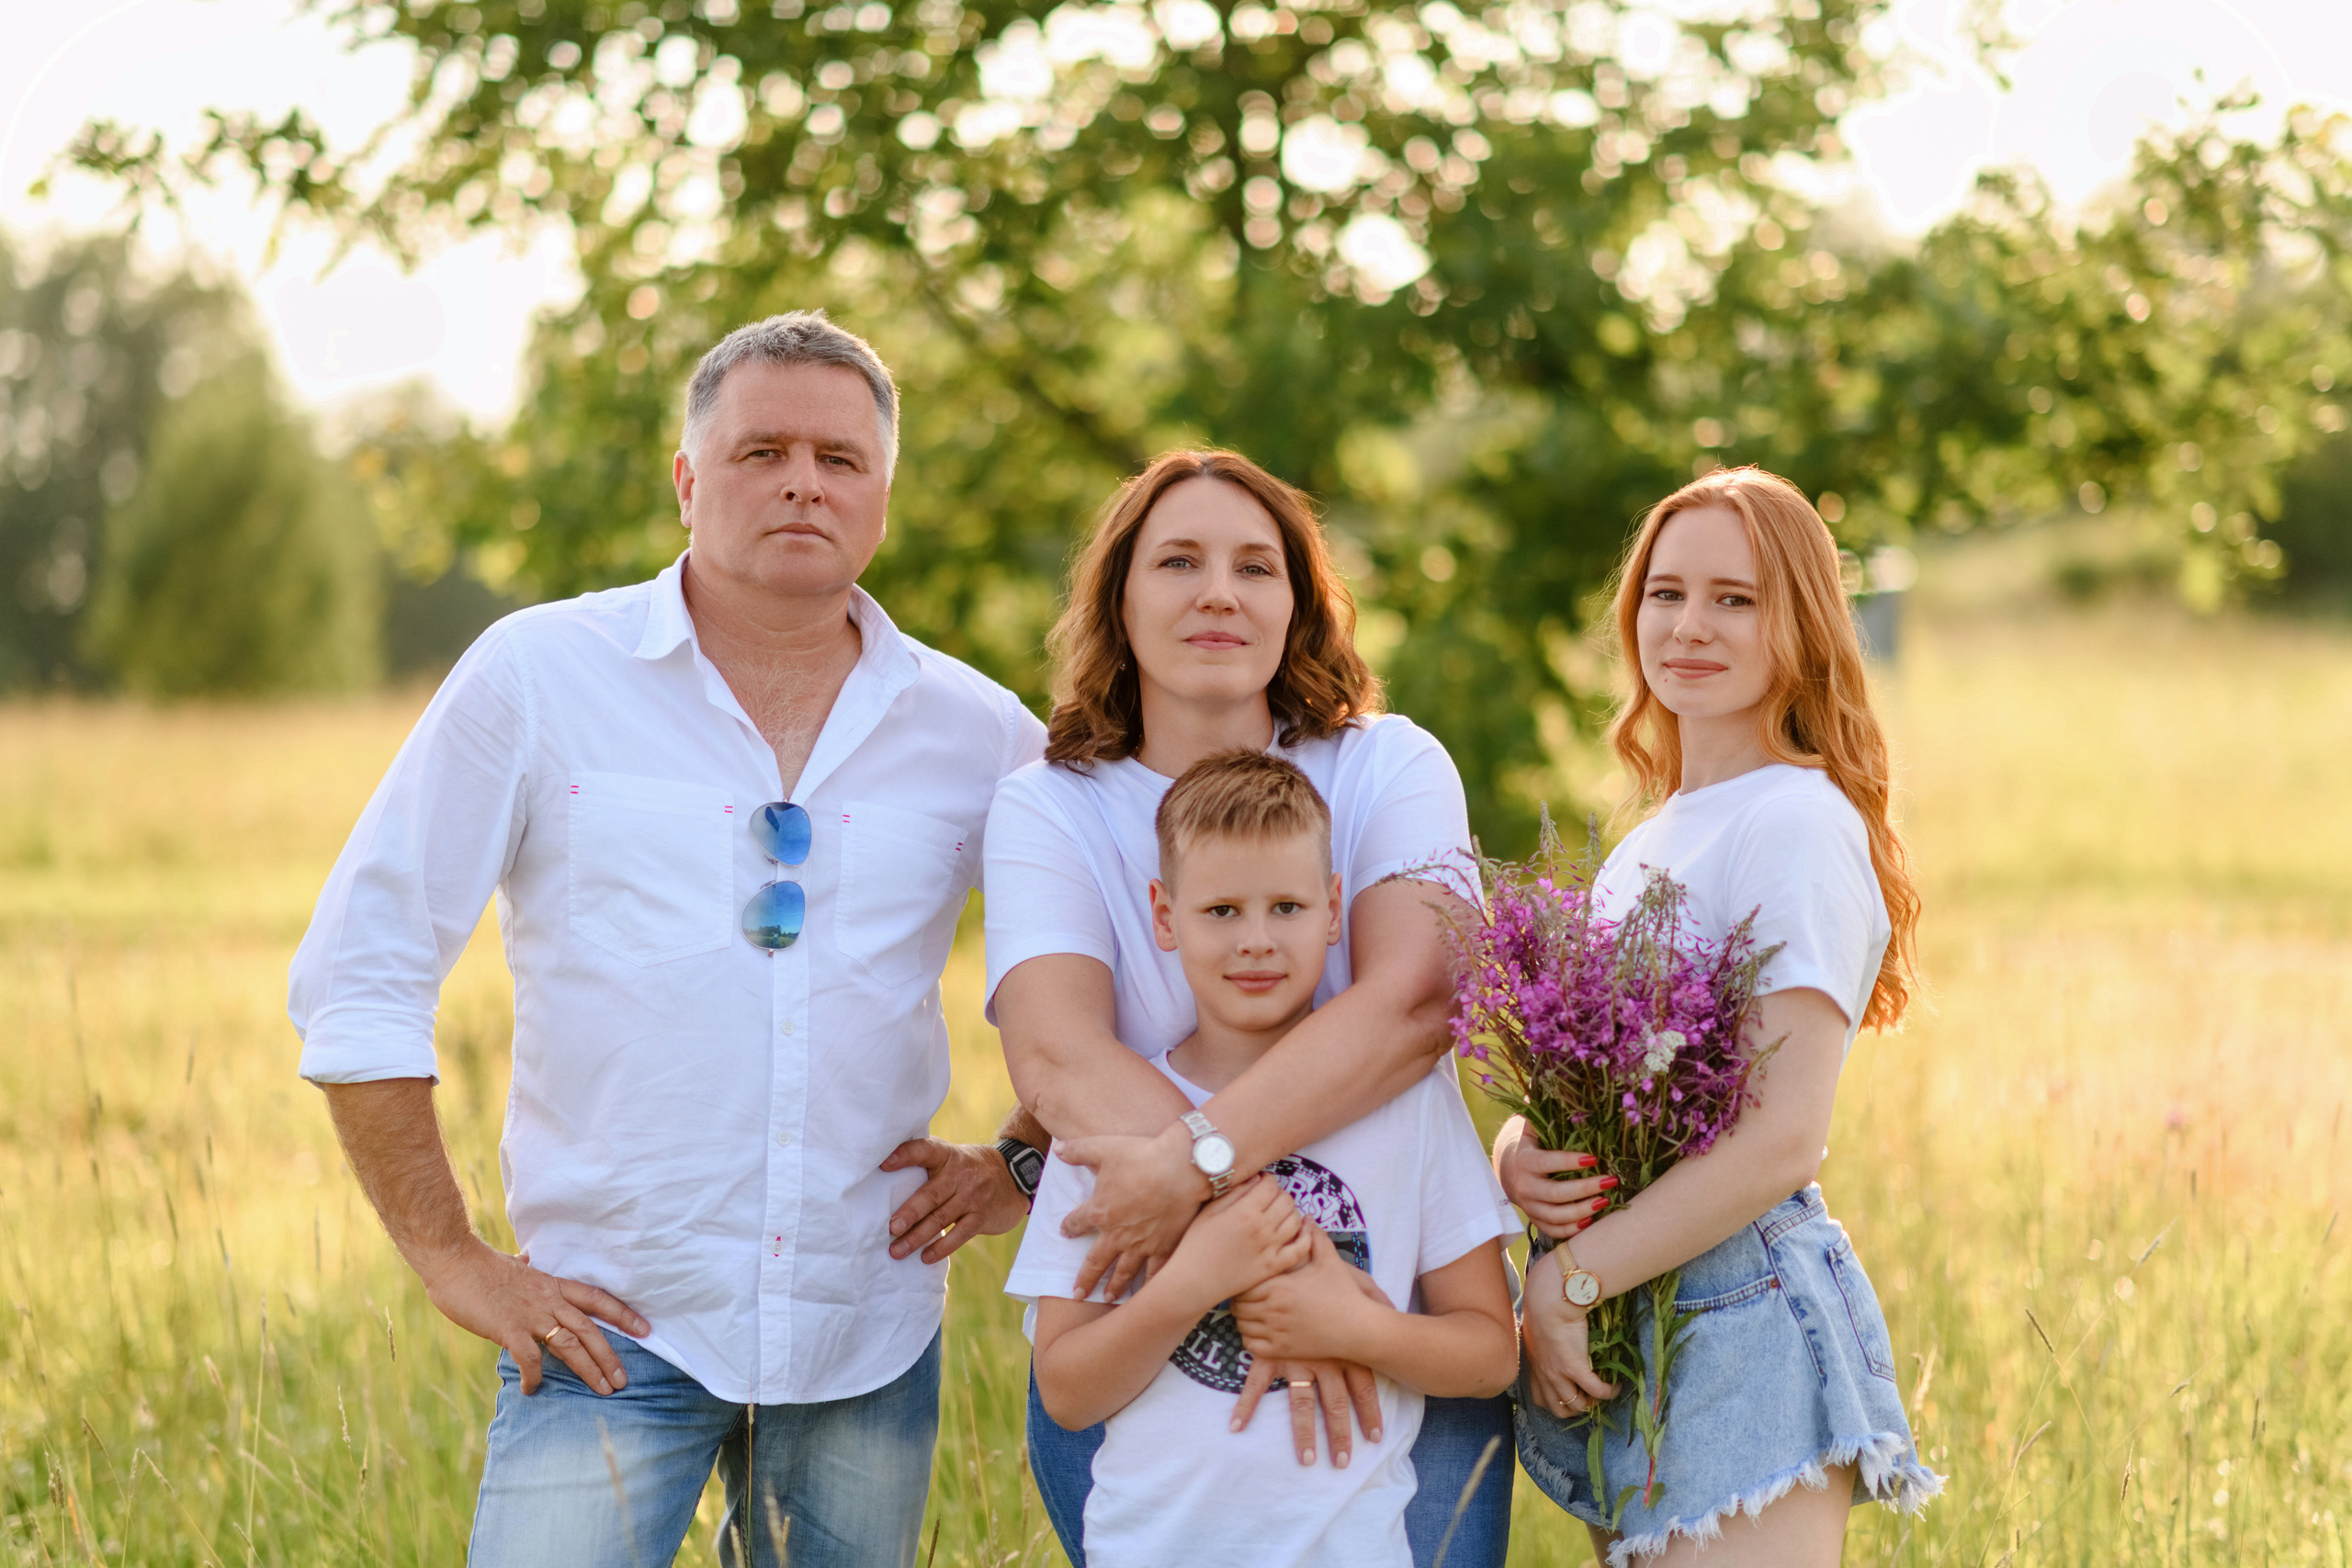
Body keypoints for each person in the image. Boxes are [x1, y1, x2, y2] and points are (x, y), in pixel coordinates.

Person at [288, 311, 1046, 1568]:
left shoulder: (979, 730)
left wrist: (1022, 1158)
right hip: (608, 1321)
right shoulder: (538, 674)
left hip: (867, 1324)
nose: (804, 478)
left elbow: (1131, 953)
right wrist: (451, 1258)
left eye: (841, 458)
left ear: (883, 494)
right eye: (762, 451)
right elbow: (360, 968)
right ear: (688, 480)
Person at [984, 450, 1539, 1567]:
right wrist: (1276, 1260)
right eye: (1177, 561)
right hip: (1155, 1366)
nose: (1219, 593)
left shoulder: (1384, 764)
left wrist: (1315, 1279)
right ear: (1119, 597)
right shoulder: (1051, 803)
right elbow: (1056, 1051)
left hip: (1394, 1339)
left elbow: (1417, 1002)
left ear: (1298, 602)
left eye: (1256, 566)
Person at [1499, 466, 1942, 1565]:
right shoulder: (1655, 836)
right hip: (1640, 1311)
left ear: (1798, 623)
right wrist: (1519, 1152)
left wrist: (1572, 1275)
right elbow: (1590, 1092)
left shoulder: (1793, 820)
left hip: (1740, 1309)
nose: (1690, 625)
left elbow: (1783, 1134)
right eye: (1666, 593)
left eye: (1734, 600)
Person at [1006, 750, 1519, 1566]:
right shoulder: (1113, 1138)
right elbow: (1066, 1389)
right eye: (1220, 911)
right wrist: (1192, 1280)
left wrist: (1358, 1326)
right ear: (1164, 916)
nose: (1255, 941)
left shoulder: (1411, 1106)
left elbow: (1491, 1352)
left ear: (1333, 911)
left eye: (1285, 906)